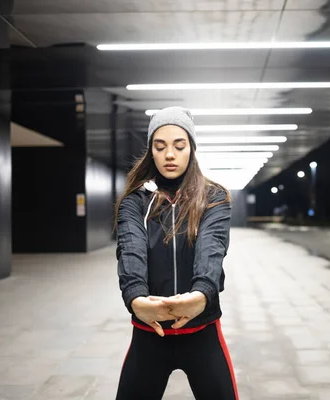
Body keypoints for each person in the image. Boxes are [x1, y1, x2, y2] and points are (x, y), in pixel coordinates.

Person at [114, 106, 238, 399]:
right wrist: (135, 298)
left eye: (179, 146)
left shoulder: (213, 197)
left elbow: (212, 248)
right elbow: (130, 251)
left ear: (191, 150)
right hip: (149, 335)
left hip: (202, 333)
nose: (170, 154)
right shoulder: (136, 201)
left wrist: (201, 294)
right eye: (160, 146)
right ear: (151, 152)